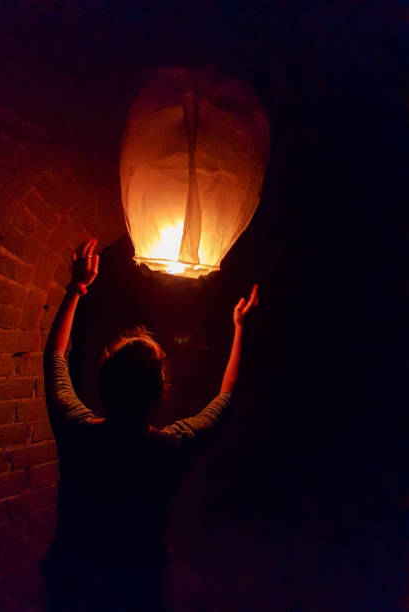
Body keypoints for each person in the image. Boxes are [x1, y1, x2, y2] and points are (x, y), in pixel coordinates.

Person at [41, 238, 259, 612]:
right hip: (141, 588)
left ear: (103, 384)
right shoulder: (171, 447)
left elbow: (55, 360)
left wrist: (77, 287)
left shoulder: (78, 432)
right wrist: (241, 328)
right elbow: (226, 398)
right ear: (160, 393)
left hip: (74, 585)